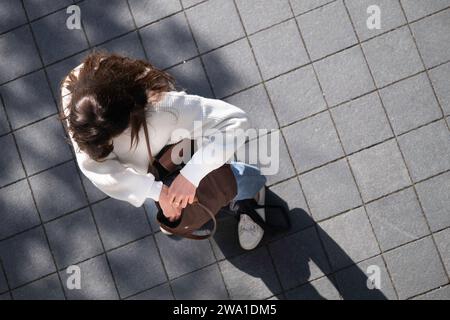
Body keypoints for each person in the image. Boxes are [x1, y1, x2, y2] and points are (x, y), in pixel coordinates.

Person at [60, 52, 267, 250]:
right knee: (177, 210)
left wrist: (191, 176)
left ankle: (254, 193)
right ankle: (183, 201)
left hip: (182, 154)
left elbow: (234, 120)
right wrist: (157, 192)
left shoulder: (160, 106)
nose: (108, 146)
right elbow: (97, 168)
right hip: (150, 173)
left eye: (117, 136)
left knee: (226, 182)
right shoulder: (84, 114)